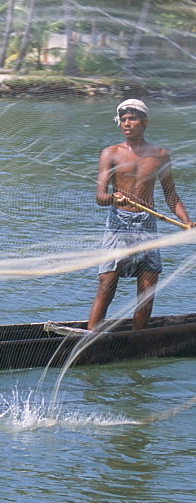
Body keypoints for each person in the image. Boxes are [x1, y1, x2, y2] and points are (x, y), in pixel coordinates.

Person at [87, 99, 192, 331]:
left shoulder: (160, 155)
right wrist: (114, 198)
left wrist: (187, 222)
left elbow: (171, 196)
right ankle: (87, 338)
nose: (127, 123)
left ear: (144, 122)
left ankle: (137, 339)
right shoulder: (110, 153)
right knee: (106, 285)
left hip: (147, 224)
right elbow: (100, 197)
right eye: (123, 119)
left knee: (147, 290)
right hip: (118, 224)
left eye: (132, 119)